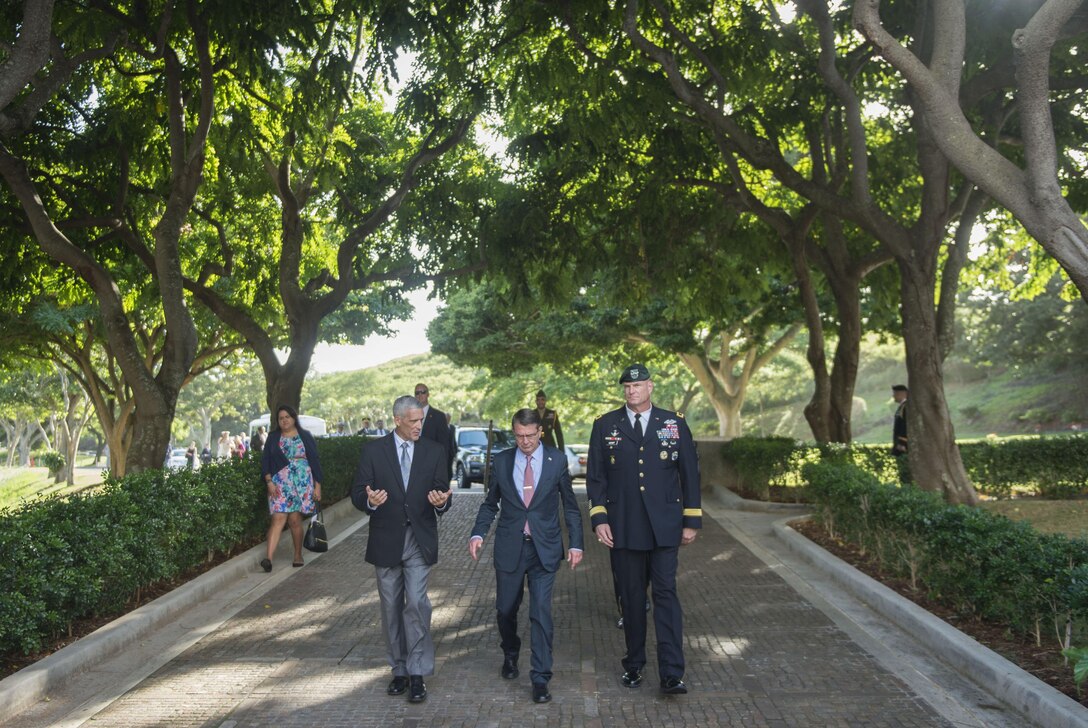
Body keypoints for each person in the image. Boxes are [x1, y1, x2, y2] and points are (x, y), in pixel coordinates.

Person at [587, 362, 701, 696]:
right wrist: (599, 518)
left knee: (666, 597)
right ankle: (634, 665)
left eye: (637, 386)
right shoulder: (606, 424)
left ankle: (672, 673)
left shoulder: (673, 423)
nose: (631, 391)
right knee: (633, 600)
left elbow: (690, 474)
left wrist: (691, 519)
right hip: (624, 528)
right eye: (626, 387)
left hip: (665, 528)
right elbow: (596, 477)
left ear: (651, 387)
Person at [468, 409, 584, 704]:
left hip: (544, 549)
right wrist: (478, 533)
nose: (525, 441)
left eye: (530, 436)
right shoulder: (503, 460)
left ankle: (541, 677)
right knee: (506, 609)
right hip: (510, 546)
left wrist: (576, 544)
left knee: (540, 612)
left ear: (540, 432)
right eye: (519, 436)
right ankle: (510, 651)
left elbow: (570, 506)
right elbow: (490, 503)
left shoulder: (556, 460)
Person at [351, 394, 453, 704]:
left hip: (418, 539)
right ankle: (399, 670)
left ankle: (418, 672)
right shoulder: (373, 451)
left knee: (417, 604)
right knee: (391, 607)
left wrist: (442, 501)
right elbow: (358, 492)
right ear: (397, 420)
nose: (419, 426)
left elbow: (442, 490)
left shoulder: (435, 451)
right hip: (386, 539)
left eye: (421, 420)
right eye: (413, 421)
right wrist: (370, 501)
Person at [259, 405, 324, 572]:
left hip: (301, 483)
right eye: (281, 418)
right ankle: (268, 559)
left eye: (287, 417)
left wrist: (318, 486)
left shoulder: (305, 436)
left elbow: (315, 461)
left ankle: (298, 555)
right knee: (278, 518)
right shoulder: (273, 437)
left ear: (294, 418)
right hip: (279, 483)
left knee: (295, 520)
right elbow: (265, 461)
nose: (284, 420)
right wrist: (269, 482)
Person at [415, 383, 456, 481]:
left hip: (432, 465)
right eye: (417, 393)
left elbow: (444, 445)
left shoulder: (438, 416)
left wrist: (442, 468)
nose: (420, 395)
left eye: (423, 392)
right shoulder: (409, 415)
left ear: (428, 394)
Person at [891, 384, 908, 456]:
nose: (893, 396)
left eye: (895, 394)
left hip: (903, 446)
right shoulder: (902, 406)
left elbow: (905, 424)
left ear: (901, 394)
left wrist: (902, 443)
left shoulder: (906, 406)